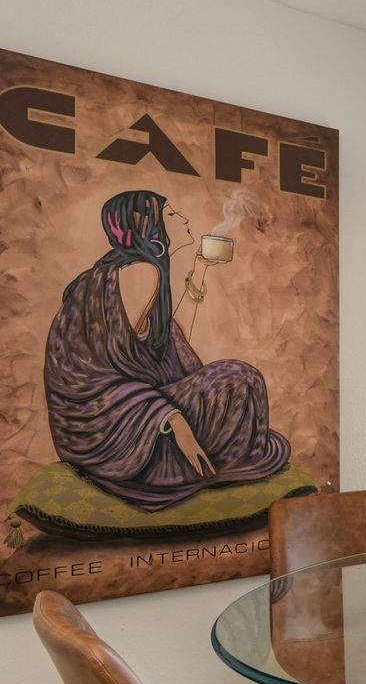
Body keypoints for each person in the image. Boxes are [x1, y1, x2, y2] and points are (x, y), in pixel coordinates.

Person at [43, 188, 291, 511]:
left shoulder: (132, 273)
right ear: (145, 224)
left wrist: (200, 269)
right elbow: (97, 378)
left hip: (116, 424)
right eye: (171, 214)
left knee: (236, 380)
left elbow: (163, 343)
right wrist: (170, 417)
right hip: (111, 431)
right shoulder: (141, 271)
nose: (183, 218)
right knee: (241, 379)